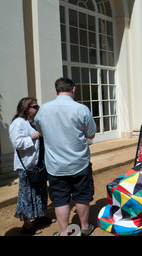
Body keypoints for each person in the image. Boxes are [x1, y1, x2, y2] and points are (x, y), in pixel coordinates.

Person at [34, 77, 97, 236]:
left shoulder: (44, 109)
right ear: (73, 89)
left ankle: (64, 232)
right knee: (82, 196)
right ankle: (84, 227)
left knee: (60, 199)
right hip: (79, 163)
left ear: (56, 91)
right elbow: (91, 135)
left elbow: (40, 131)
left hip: (55, 165)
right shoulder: (81, 109)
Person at [9, 97, 55, 235]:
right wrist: (35, 136)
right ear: (26, 108)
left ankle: (40, 216)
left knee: (41, 191)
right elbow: (17, 143)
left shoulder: (35, 122)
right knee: (27, 194)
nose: (37, 108)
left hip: (39, 163)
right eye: (35, 106)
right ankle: (27, 224)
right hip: (27, 165)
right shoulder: (18, 123)